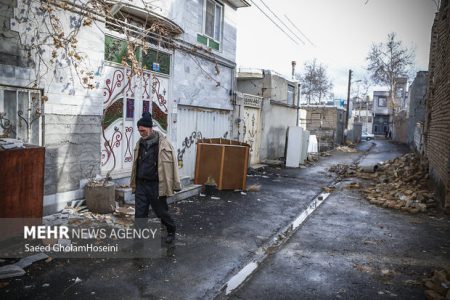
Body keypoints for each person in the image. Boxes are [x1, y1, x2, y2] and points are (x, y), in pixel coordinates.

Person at [131, 112, 181, 244]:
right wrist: (134, 183)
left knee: (161, 212)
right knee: (140, 214)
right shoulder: (139, 144)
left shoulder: (164, 144)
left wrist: (175, 184)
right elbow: (136, 165)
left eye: (143, 130)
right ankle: (138, 238)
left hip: (157, 186)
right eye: (139, 131)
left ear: (150, 128)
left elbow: (173, 165)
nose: (141, 133)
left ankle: (171, 230)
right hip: (141, 184)